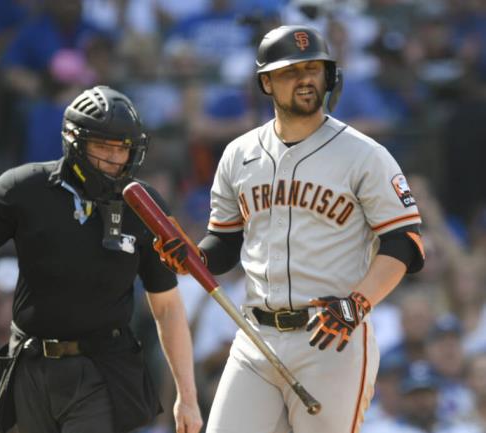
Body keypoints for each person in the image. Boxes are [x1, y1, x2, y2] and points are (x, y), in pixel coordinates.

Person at [0, 85, 202, 433]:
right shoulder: (26, 188)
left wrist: (188, 395)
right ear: (75, 142)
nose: (114, 159)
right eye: (102, 147)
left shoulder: (144, 206)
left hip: (101, 369)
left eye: (122, 149)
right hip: (30, 367)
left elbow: (167, 306)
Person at [153, 25, 426, 433]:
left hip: (332, 335)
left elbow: (404, 244)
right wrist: (194, 258)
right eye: (290, 71)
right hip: (254, 336)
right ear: (266, 82)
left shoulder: (366, 155)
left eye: (314, 68)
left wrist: (357, 304)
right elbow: (225, 244)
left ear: (329, 76)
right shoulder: (238, 154)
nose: (305, 79)